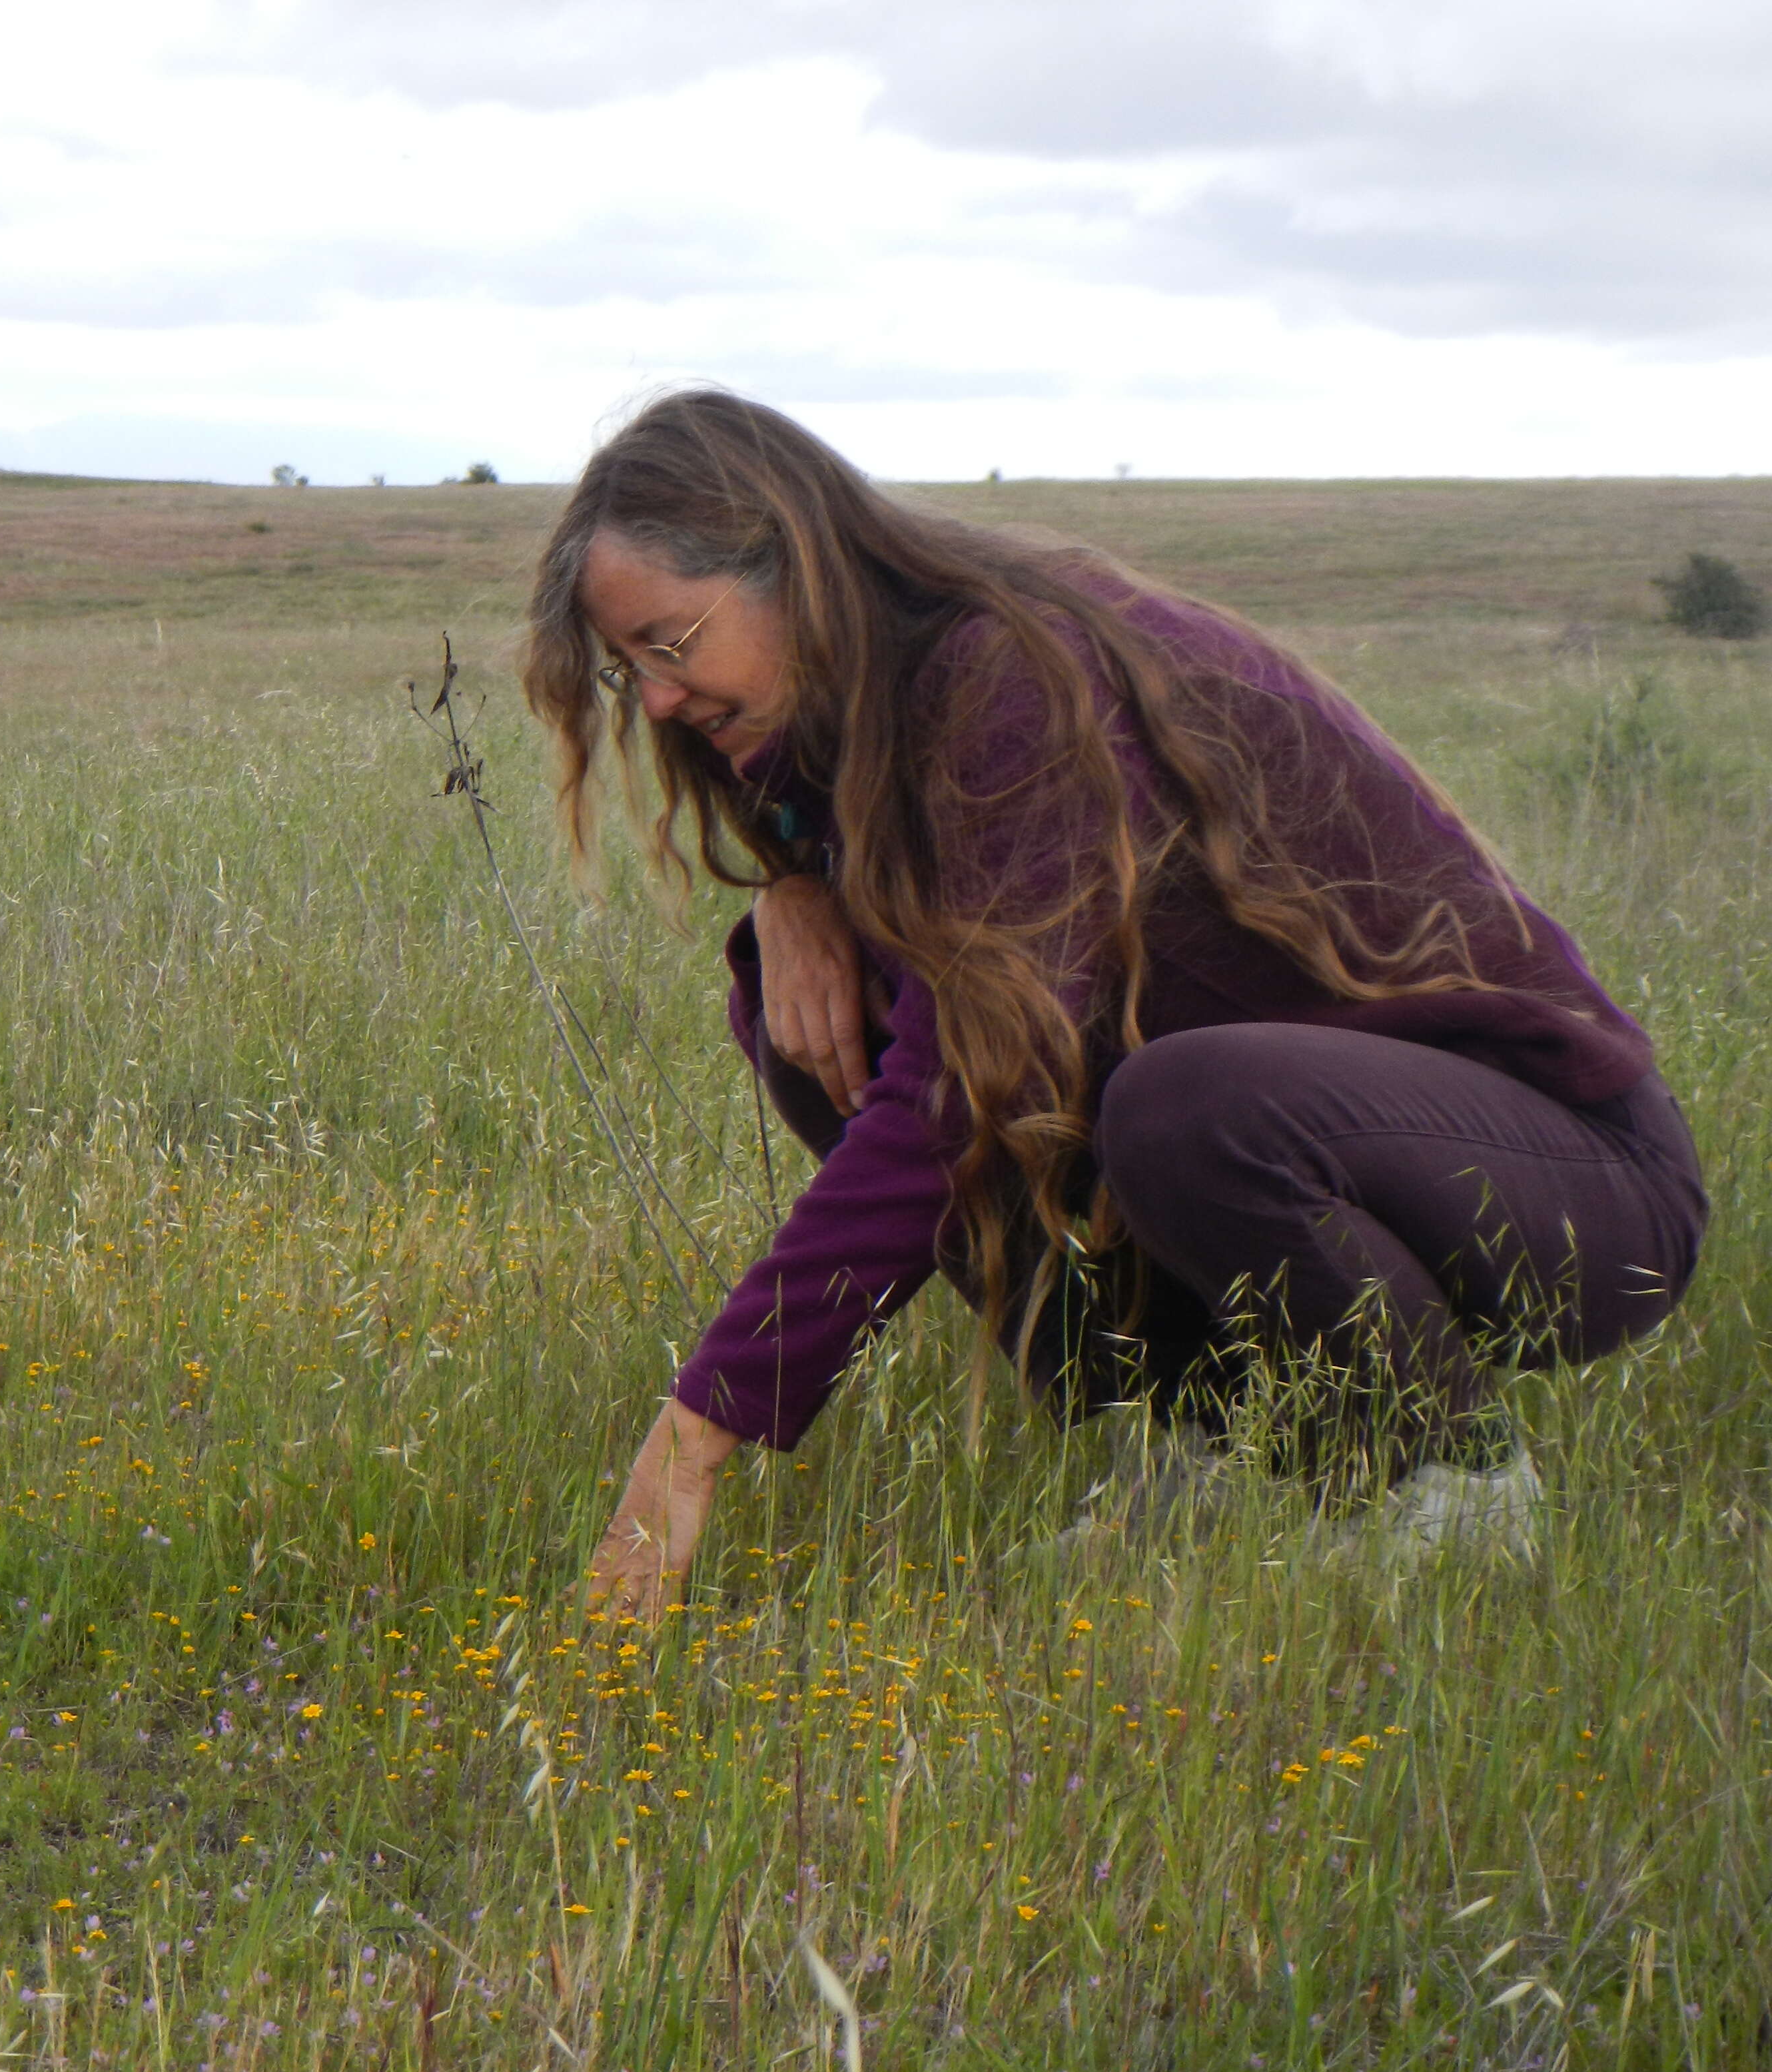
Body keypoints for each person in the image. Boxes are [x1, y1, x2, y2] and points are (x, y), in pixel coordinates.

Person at [520, 391, 1706, 1614]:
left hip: (1573, 1194)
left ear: (796, 568)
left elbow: (963, 1087)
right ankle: (1200, 1451)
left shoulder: (1010, 676)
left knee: (1183, 1106)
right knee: (814, 1011)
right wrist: (798, 888)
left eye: (673, 642)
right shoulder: (858, 710)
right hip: (1339, 1147)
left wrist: (694, 1442)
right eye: (631, 670)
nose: (657, 701)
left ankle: (1454, 1491)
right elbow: (933, 979)